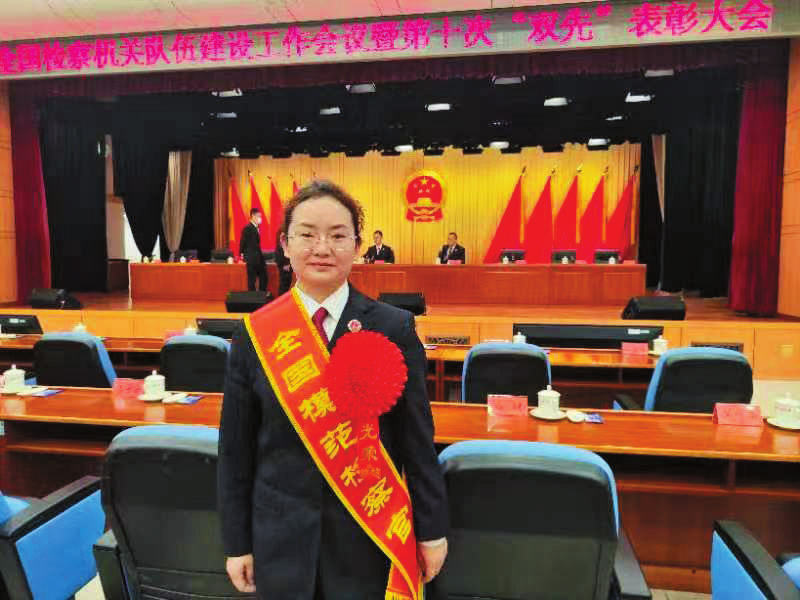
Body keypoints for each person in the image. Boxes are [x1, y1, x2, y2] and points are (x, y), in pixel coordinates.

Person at [219, 180, 449, 599]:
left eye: (338, 235)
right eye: (307, 234)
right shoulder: (255, 335)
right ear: (285, 245)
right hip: (279, 538)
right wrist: (237, 543)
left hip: (367, 534)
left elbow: (417, 439)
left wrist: (431, 530)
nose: (322, 248)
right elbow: (236, 450)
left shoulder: (394, 327)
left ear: (357, 246)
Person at [240, 208, 268, 291]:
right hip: (251, 258)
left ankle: (261, 294)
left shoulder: (256, 228)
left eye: (261, 216)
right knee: (252, 280)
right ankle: (252, 297)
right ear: (253, 216)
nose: (260, 218)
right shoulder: (248, 228)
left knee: (264, 277)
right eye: (259, 216)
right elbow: (243, 242)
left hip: (258, 258)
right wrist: (241, 253)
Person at [274, 226, 293, 295]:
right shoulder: (283, 233)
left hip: (283, 261)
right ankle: (281, 297)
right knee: (284, 283)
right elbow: (283, 249)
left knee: (285, 282)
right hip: (284, 262)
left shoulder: (281, 231)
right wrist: (286, 263)